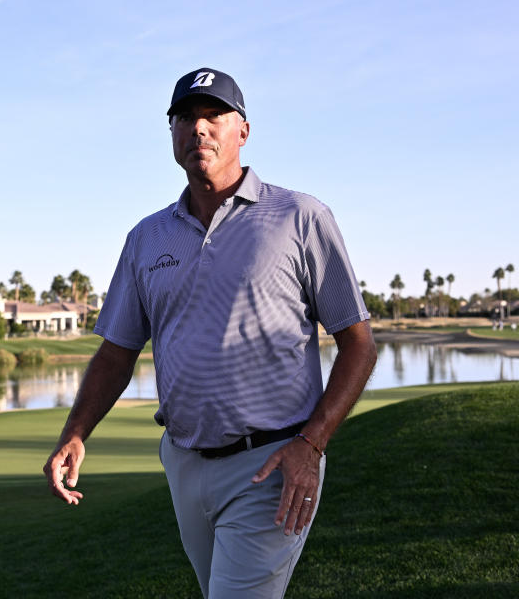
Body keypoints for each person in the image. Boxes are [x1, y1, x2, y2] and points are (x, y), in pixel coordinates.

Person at [43, 67, 378, 598]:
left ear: (242, 131)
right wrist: (75, 432)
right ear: (171, 134)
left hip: (271, 464)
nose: (199, 129)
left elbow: (358, 342)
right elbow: (116, 352)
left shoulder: (299, 216)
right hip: (183, 463)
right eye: (185, 118)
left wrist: (311, 446)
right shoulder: (147, 238)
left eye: (213, 116)